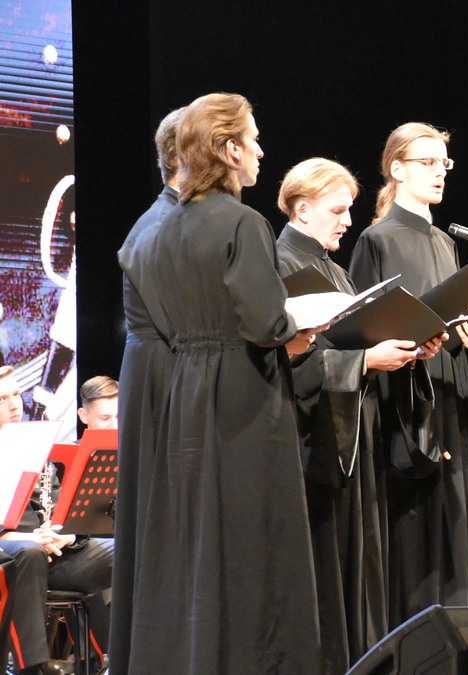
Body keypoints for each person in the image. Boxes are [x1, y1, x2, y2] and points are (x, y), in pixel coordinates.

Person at [120, 92, 321, 674]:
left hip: (182, 393)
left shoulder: (154, 228)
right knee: (251, 544)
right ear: (229, 150)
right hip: (242, 393)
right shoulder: (242, 222)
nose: (260, 151)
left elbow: (156, 327)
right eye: (253, 140)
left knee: (194, 544)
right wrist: (301, 329)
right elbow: (266, 324)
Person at [275, 157, 440, 671]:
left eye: (348, 209)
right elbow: (286, 365)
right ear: (302, 209)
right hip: (314, 444)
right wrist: (367, 360)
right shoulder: (280, 264)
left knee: (359, 573)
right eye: (337, 211)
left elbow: (355, 342)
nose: (348, 221)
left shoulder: (335, 270)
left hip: (353, 435)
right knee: (326, 574)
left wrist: (411, 348)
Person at [348, 122, 468, 625]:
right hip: (406, 411)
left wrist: (465, 335)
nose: (439, 173)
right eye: (427, 163)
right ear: (396, 169)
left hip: (449, 396)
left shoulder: (444, 241)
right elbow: (363, 333)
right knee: (415, 552)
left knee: (457, 542)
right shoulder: (377, 239)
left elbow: (444, 322)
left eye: (443, 164)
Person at [110, 107, 183, 675]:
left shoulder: (164, 219)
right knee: (164, 527)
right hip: (163, 379)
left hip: (156, 371)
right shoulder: (166, 225)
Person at [0, 365, 114, 675]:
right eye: (2, 399)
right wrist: (17, 537)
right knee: (29, 551)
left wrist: (66, 533)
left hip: (56, 552)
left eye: (16, 395)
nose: (14, 405)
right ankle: (29, 667)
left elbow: (61, 506)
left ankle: (134, 656)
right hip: (17, 552)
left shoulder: (33, 441)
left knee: (134, 550)